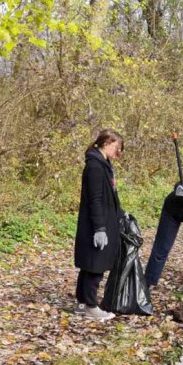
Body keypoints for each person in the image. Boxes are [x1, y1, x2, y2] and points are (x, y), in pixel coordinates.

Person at [73, 129, 124, 320]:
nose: (118, 153)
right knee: (95, 264)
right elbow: (95, 199)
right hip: (96, 224)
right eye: (117, 148)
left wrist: (120, 214)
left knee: (90, 264)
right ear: (107, 143)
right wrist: (100, 229)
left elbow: (109, 195)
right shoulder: (94, 166)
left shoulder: (104, 164)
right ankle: (90, 306)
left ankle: (81, 302)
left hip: (104, 220)